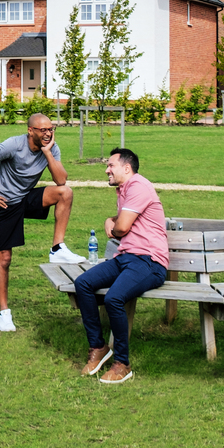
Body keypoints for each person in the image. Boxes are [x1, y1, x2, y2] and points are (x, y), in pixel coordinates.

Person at [0, 113, 82, 332]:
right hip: (3, 203)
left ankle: (57, 248)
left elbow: (61, 180)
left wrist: (48, 152)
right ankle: (4, 314)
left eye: (51, 129)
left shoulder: (51, 147)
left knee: (65, 193)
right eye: (43, 130)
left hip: (25, 198)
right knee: (4, 259)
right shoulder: (13, 145)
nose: (49, 133)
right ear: (30, 131)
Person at [75, 147, 169, 385]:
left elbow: (122, 228)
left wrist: (115, 226)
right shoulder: (124, 190)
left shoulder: (138, 185)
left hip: (149, 261)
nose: (106, 169)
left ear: (127, 168)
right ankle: (98, 347)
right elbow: (121, 222)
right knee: (83, 283)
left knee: (113, 298)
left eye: (111, 166)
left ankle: (122, 364)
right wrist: (110, 219)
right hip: (126, 258)